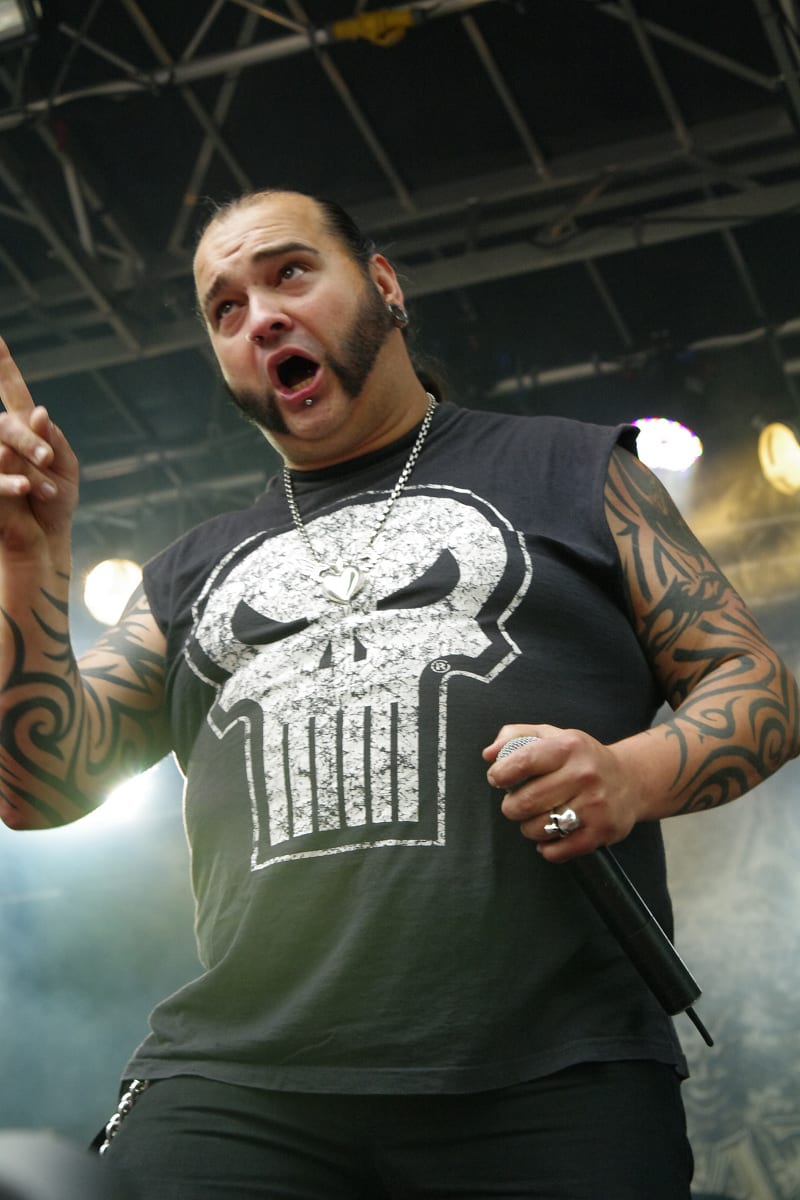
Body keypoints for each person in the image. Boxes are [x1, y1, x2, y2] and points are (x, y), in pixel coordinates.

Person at [0, 188, 797, 1200]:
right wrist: (27, 561)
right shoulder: (187, 571)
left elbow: (756, 681)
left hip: (551, 1068)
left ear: (382, 284)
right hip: (241, 1079)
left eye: (289, 272)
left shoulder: (572, 468)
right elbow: (36, 786)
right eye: (225, 308)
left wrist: (630, 775)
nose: (260, 317)